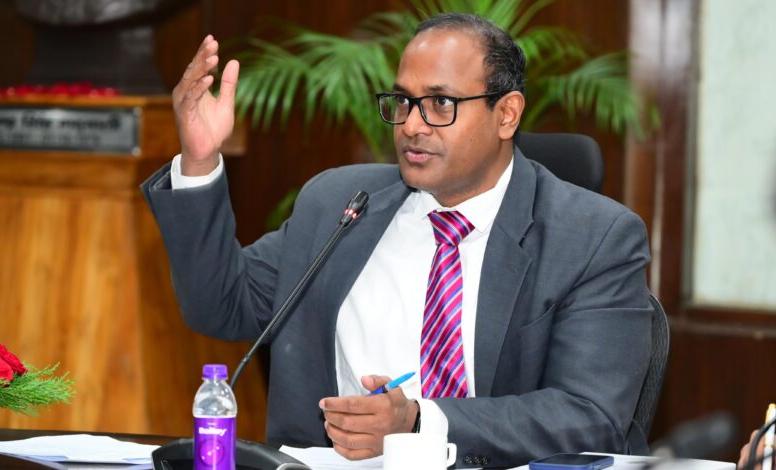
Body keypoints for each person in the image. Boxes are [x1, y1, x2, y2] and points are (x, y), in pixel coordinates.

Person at [141, 13, 653, 468]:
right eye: (404, 101)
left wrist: (419, 422)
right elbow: (220, 306)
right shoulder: (340, 205)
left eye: (440, 103)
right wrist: (200, 160)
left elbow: (590, 416)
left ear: (507, 114)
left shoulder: (593, 237)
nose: (411, 125)